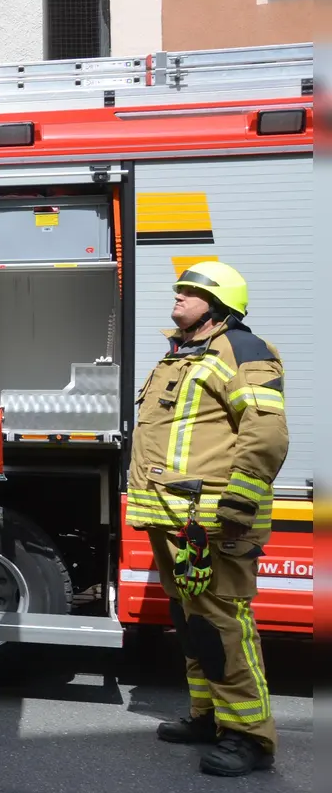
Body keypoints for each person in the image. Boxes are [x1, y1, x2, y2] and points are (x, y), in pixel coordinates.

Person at [126, 261, 288, 777]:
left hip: (215, 519)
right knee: (193, 623)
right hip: (174, 518)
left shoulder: (242, 351)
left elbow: (265, 431)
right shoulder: (182, 355)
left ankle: (249, 737)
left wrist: (238, 504)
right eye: (179, 289)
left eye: (191, 292)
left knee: (223, 625)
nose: (178, 297)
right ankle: (209, 717)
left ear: (219, 307)